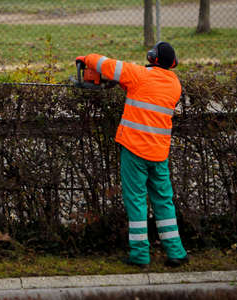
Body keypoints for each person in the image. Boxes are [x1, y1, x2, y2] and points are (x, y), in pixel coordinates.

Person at [76, 41, 189, 268]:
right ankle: (176, 252)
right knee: (164, 201)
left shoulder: (138, 75)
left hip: (134, 150)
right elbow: (147, 94)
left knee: (136, 200)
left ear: (151, 57)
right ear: (172, 63)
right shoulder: (175, 84)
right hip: (159, 152)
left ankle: (139, 255)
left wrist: (85, 58)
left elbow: (104, 64)